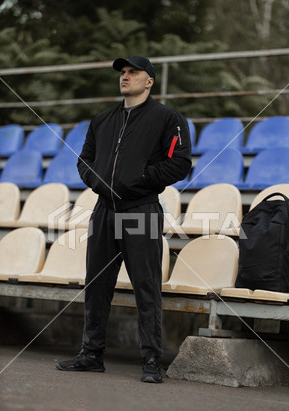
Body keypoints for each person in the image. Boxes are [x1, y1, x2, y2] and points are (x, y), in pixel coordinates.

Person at [56, 55, 192, 382]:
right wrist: (99, 182)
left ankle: (150, 360)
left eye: (134, 72)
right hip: (104, 210)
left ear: (149, 81)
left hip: (141, 209)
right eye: (123, 72)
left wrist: (140, 179)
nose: (126, 76)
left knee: (146, 285)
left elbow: (180, 163)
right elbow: (85, 160)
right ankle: (91, 353)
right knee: (97, 283)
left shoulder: (167, 118)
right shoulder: (102, 120)